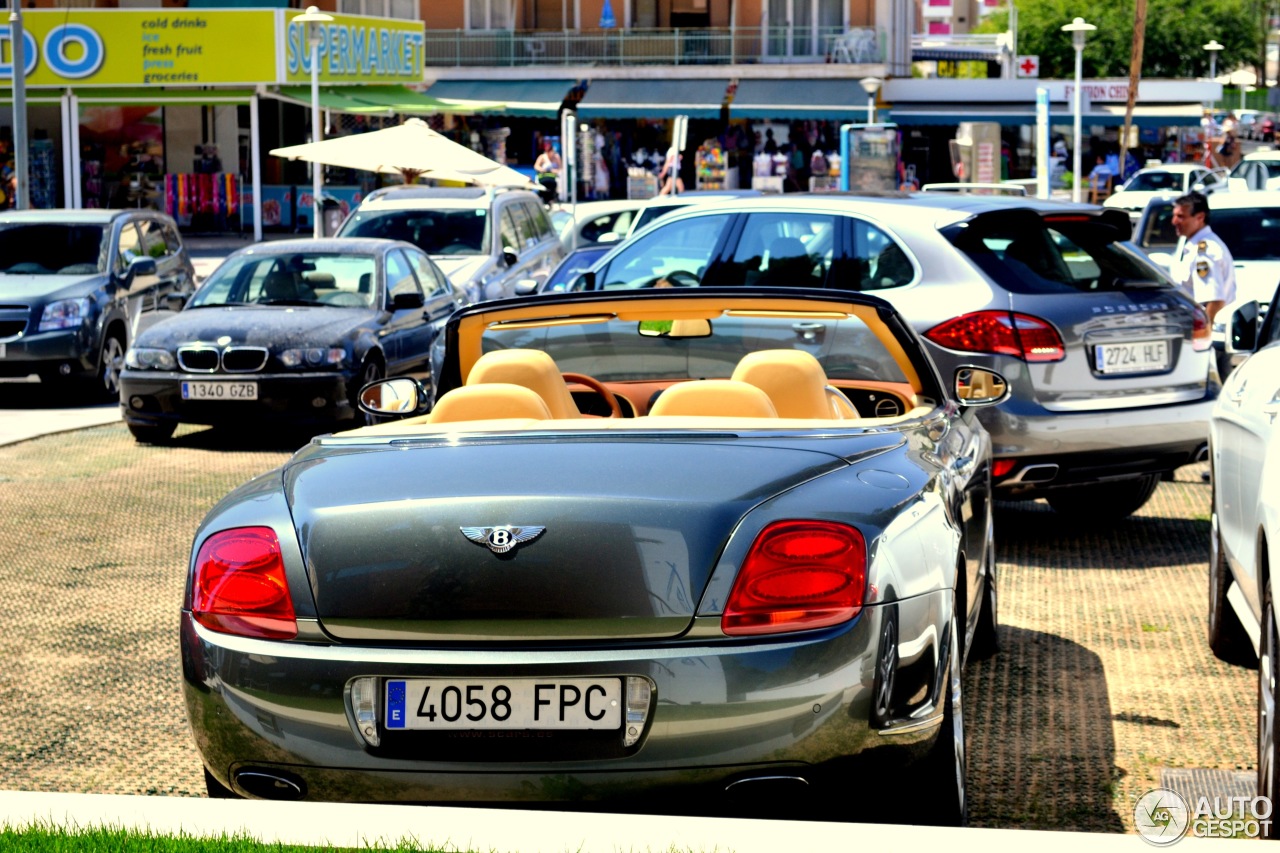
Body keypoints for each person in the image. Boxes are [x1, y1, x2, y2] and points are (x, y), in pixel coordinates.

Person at [1170, 191, 1237, 379]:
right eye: (1174, 215)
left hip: (1207, 340)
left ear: (1200, 217)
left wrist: (1201, 341)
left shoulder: (1205, 251)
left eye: (1181, 216)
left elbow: (1214, 301)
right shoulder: (1193, 246)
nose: (1174, 221)